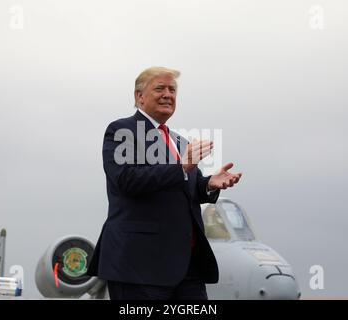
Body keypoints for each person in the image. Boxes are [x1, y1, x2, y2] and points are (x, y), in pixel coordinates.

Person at [87, 66, 242, 300]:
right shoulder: (122, 131)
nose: (168, 94)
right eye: (160, 88)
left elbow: (184, 187)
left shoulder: (180, 142)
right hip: (139, 265)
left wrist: (208, 184)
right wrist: (181, 167)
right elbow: (127, 180)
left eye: (172, 90)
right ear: (139, 97)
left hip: (186, 266)